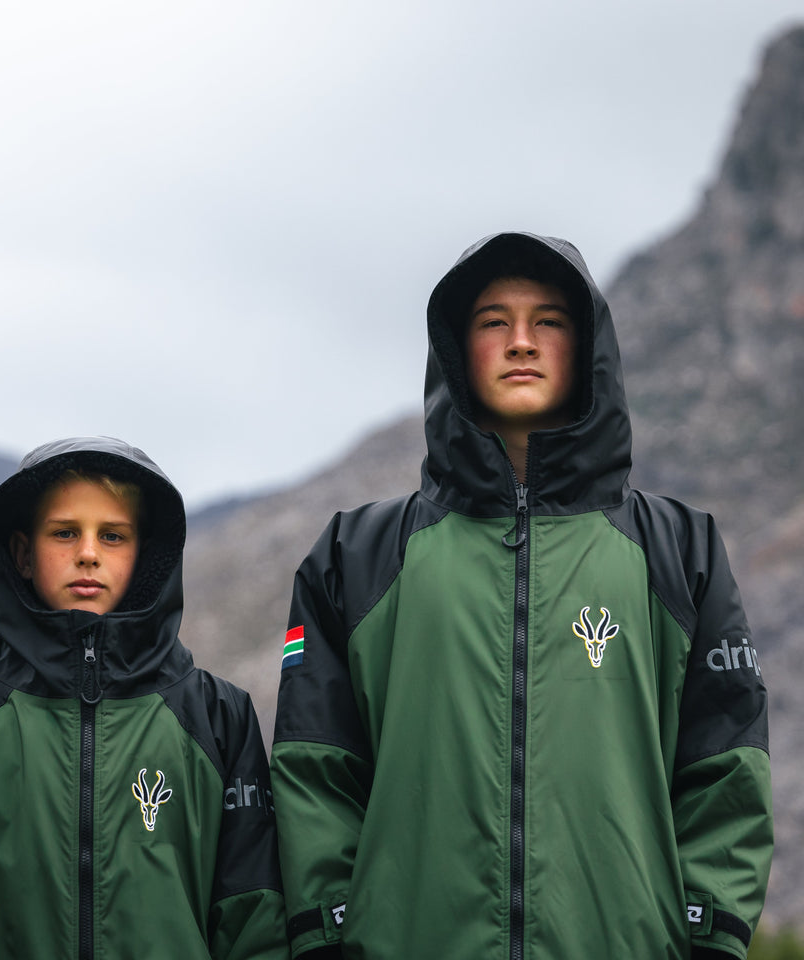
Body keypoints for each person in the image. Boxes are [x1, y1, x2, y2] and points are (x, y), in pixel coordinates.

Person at [270, 233, 772, 960]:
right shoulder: (358, 557)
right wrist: (332, 930)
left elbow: (725, 766)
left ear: (588, 347)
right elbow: (316, 768)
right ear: (456, 348)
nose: (521, 342)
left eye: (550, 321)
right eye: (493, 322)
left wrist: (708, 931)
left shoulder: (679, 552)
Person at [0, 436, 286, 960]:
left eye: (113, 536)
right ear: (22, 553)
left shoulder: (218, 716)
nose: (88, 553)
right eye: (65, 532)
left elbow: (254, 923)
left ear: (145, 557)